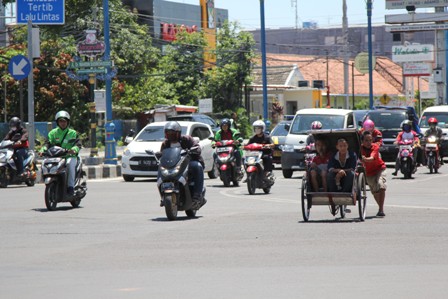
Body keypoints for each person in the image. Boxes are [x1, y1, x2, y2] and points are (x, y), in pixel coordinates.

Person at [160, 121, 205, 205]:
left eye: (172, 132)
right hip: (174, 165)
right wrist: (159, 155)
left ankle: (197, 196)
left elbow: (196, 147)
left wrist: (195, 149)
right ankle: (163, 195)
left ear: (178, 133)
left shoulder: (187, 139)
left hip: (189, 162)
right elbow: (163, 154)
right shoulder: (165, 144)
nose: (170, 134)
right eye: (168, 132)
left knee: (197, 166)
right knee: (160, 169)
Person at [40, 111, 79, 195]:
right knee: (45, 162)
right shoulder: (52, 133)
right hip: (56, 156)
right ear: (57, 122)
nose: (63, 123)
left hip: (69, 156)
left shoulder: (73, 133)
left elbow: (78, 144)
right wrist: (42, 150)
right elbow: (47, 143)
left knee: (69, 165)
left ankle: (70, 187)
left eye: (64, 121)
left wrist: (74, 149)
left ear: (68, 122)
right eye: (61, 121)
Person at [361, 131, 387, 217]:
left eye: (370, 140)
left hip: (379, 169)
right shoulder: (360, 149)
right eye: (366, 140)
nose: (369, 142)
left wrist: (365, 159)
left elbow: (372, 158)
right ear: (362, 141)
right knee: (375, 192)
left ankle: (381, 209)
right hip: (368, 173)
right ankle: (380, 207)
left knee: (381, 186)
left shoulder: (375, 147)